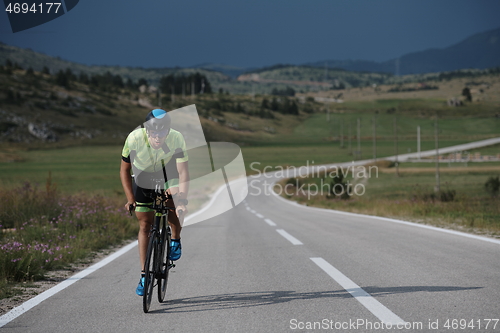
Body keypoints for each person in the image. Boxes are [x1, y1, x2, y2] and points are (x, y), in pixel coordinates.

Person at [120, 109, 189, 296]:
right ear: (147, 130)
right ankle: (145, 275)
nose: (158, 136)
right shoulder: (134, 139)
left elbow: (183, 172)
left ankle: (175, 239)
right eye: (154, 132)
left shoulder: (177, 138)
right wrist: (130, 199)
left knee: (175, 202)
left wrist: (181, 198)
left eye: (162, 132)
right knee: (144, 225)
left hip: (169, 173)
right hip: (143, 177)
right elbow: (124, 171)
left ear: (168, 130)